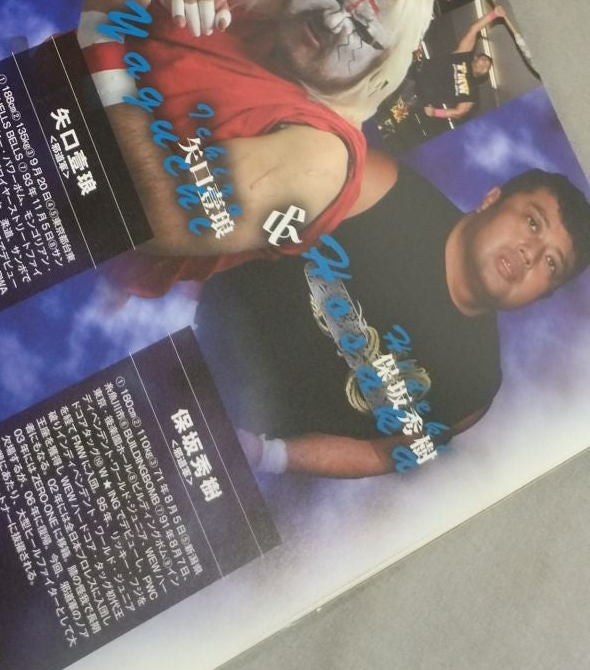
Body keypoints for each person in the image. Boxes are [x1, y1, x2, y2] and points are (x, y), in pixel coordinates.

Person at [79, 0, 435, 293]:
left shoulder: (321, 155)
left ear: (380, 64)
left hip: (67, 240)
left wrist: (101, 35)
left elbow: (147, 218)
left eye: (362, 30)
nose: (332, 21)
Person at [195, 159, 590, 478]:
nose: (530, 253)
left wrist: (265, 455)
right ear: (491, 199)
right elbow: (243, 201)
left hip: (231, 437)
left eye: (551, 263)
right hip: (184, 333)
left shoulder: (475, 389)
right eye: (532, 222)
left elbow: (382, 453)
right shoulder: (380, 187)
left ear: (544, 295)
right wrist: (178, 287)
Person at [410, 5, 511, 123]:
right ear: (476, 58)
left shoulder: (472, 94)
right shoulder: (463, 55)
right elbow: (474, 29)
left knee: (398, 112)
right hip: (416, 73)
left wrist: (435, 112)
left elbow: (459, 113)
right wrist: (494, 14)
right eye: (484, 60)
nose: (485, 65)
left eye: (487, 67)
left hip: (422, 97)